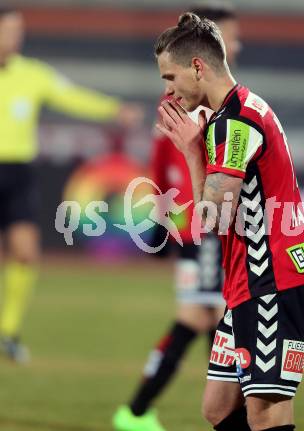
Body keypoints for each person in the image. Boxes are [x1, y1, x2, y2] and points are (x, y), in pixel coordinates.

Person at [155, 12, 304, 431]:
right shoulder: (237, 109)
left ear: (197, 67)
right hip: (248, 281)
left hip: (272, 281)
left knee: (266, 411)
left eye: (170, 77)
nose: (167, 89)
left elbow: (211, 218)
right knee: (219, 407)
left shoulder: (234, 123)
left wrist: (192, 152)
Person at [112, 4, 241, 431]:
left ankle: (139, 410)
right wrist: (167, 216)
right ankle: (138, 411)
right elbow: (168, 161)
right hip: (202, 225)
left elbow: (159, 160)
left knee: (208, 318)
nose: (237, 44)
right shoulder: (189, 100)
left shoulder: (209, 100)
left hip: (200, 223)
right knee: (213, 317)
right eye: (231, 36)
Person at [0, 7, 144, 363]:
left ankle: (8, 332)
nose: (16, 36)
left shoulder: (31, 74)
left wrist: (114, 110)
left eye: (19, 29)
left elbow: (73, 96)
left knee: (25, 252)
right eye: (9, 29)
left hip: (18, 173)